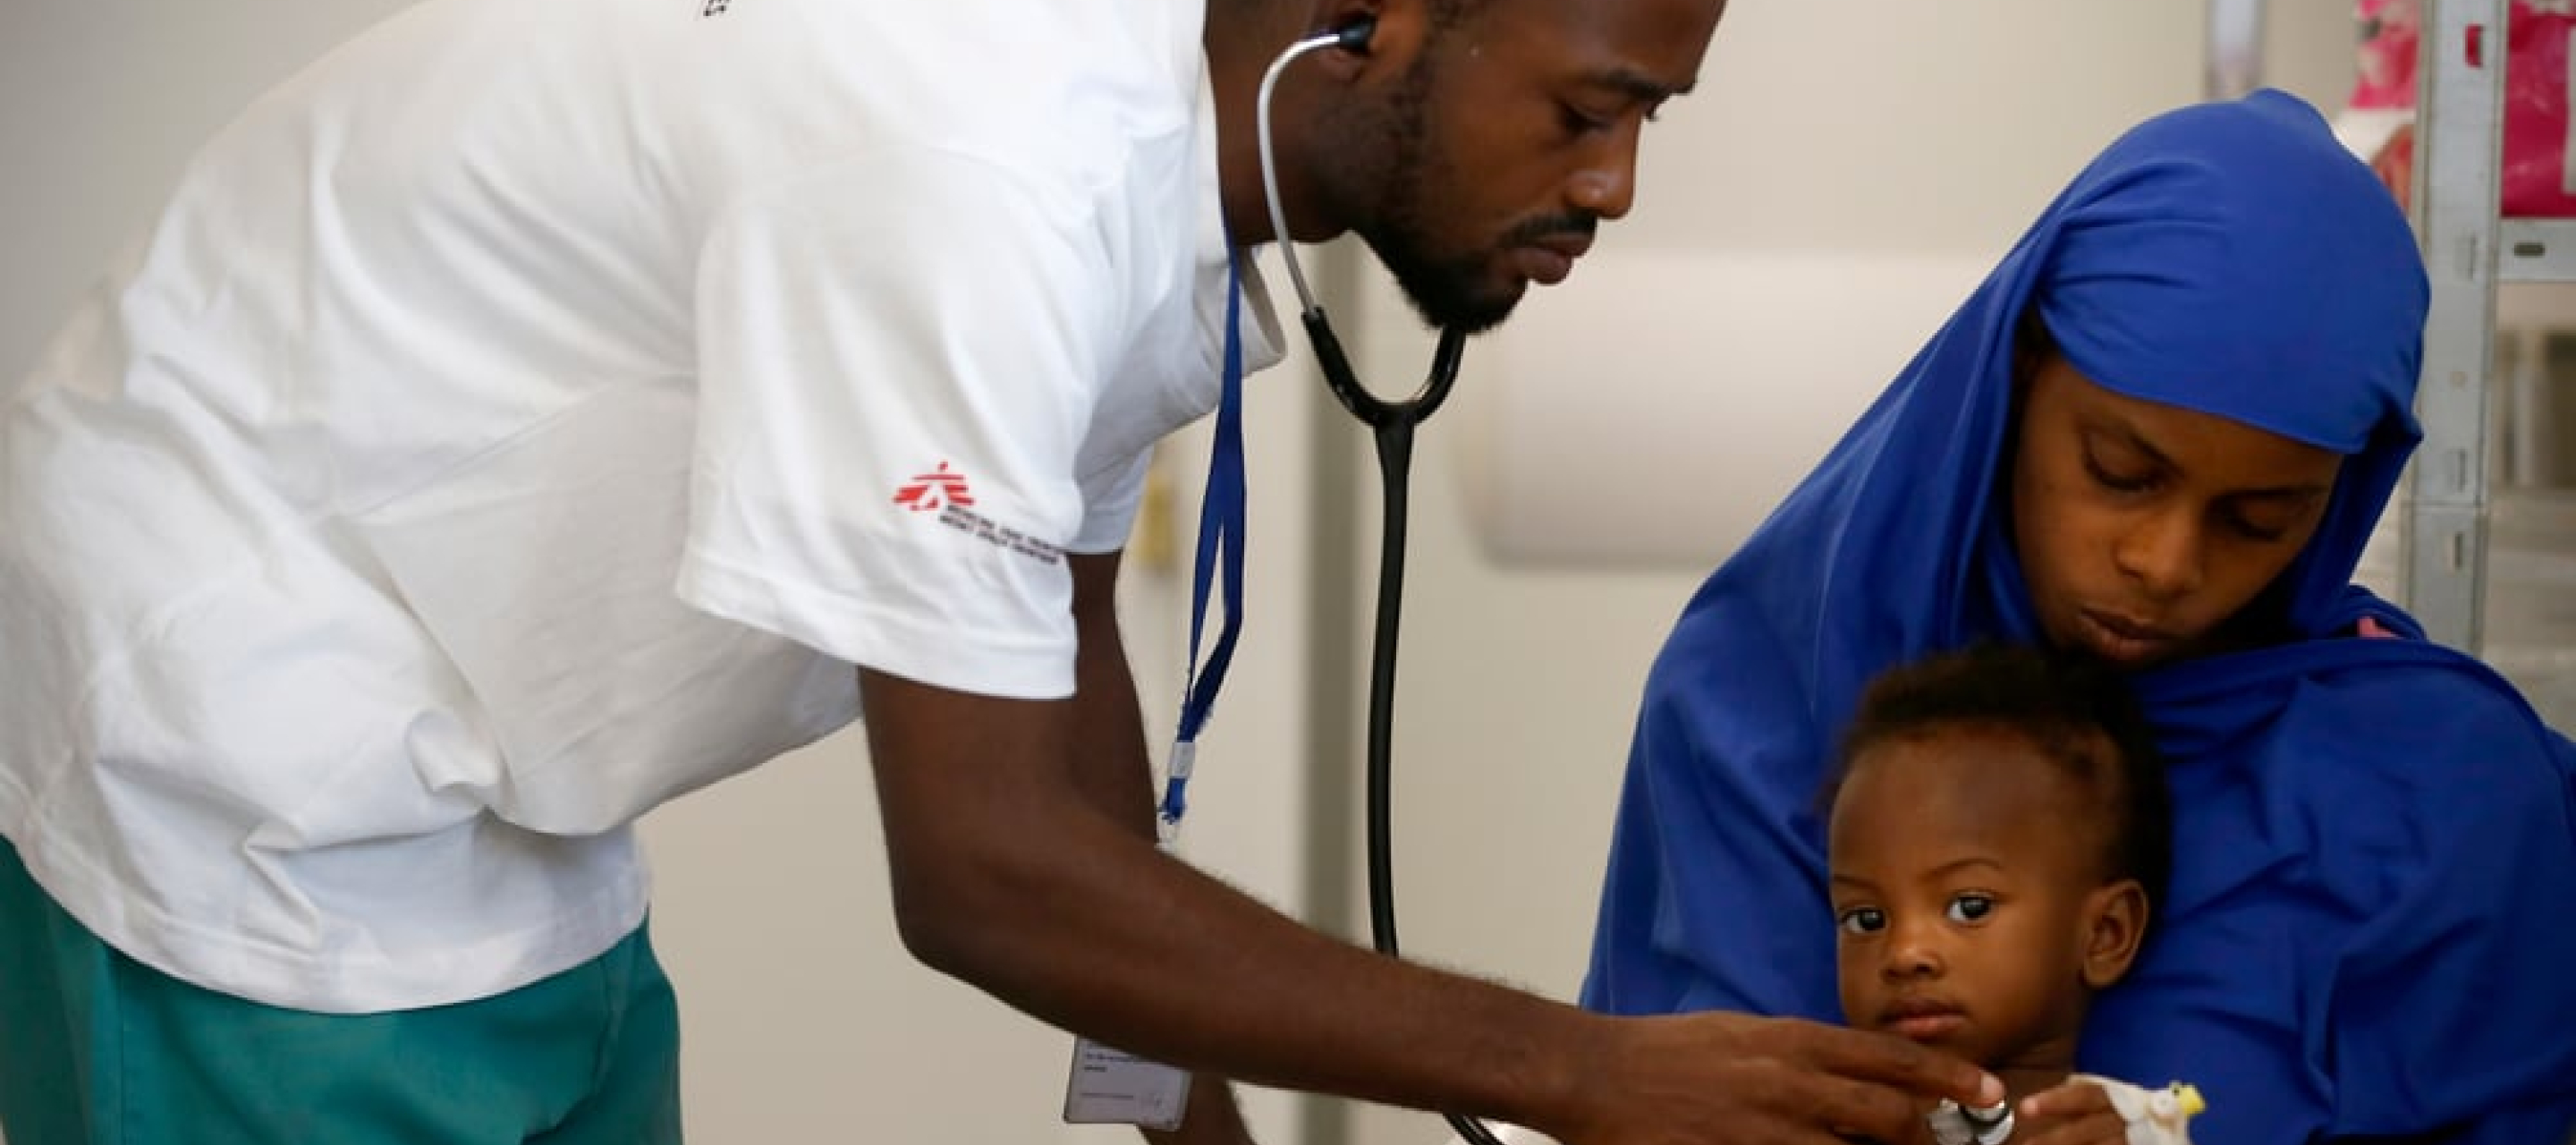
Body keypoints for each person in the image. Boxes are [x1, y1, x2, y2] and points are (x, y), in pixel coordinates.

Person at [0, 0, 2004, 1141]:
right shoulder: (984, 186)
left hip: (484, 748)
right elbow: (976, 873)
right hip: (250, 740)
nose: (1614, 186)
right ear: (1381, 19)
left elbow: (1061, 717)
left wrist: (1184, 1115)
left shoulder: (1146, 131)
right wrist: (1582, 1075)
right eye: (1594, 105)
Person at [1581, 88, 2576, 1145]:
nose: (2164, 563)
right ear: (2016, 374)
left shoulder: (2443, 787)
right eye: (2120, 472)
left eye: (2260, 517)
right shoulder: (1763, 698)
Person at [1827, 644, 2197, 1145]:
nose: (1904, 953)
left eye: (1969, 907)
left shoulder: (2124, 1130)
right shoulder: (1813, 1120)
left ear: (2104, 935)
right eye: (1865, 919)